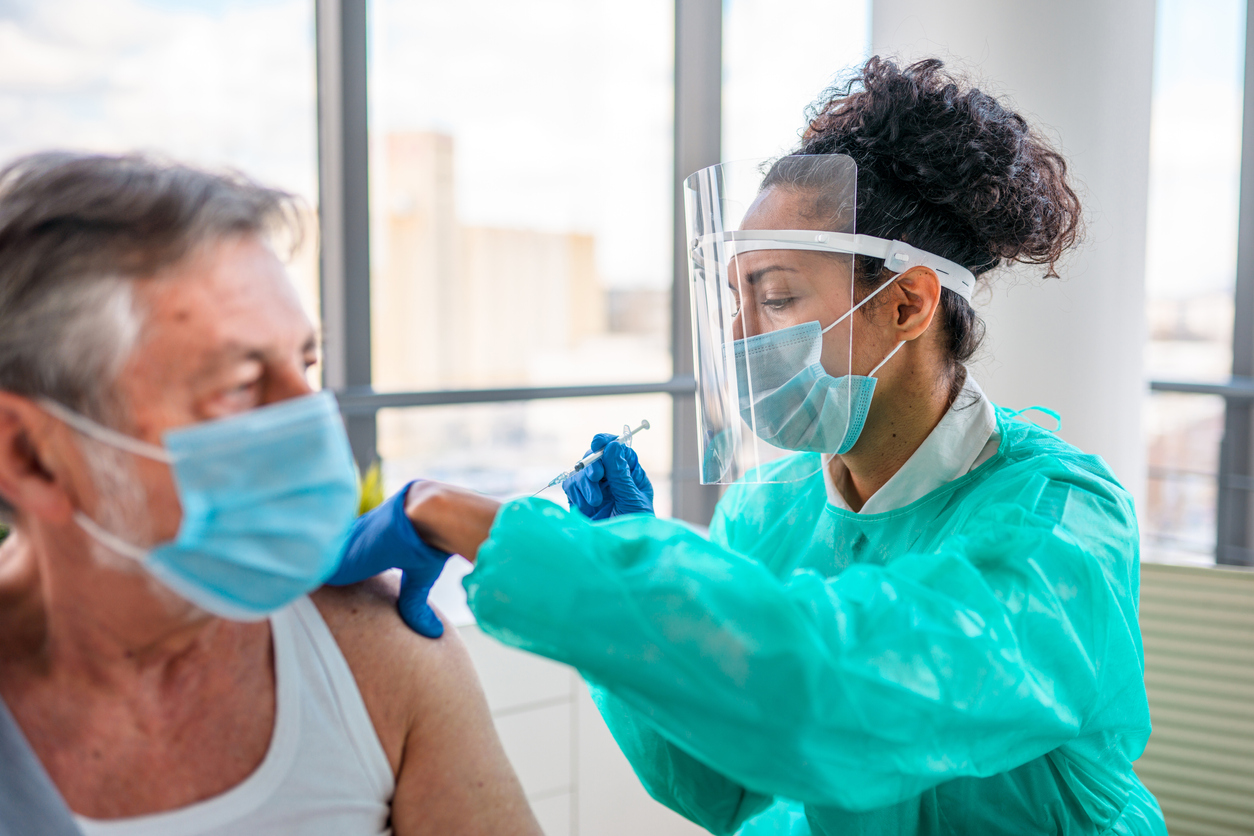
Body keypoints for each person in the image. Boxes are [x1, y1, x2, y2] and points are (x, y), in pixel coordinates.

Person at [334, 57, 1165, 835]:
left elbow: (833, 695)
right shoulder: (769, 510)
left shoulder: (1061, 527)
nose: (738, 335)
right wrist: (621, 551)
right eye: (734, 296)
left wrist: (490, 528)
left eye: (774, 294)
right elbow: (712, 781)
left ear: (909, 305)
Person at [0, 153, 541, 836]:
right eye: (239, 383)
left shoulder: (375, 653)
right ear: (29, 455)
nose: (314, 424)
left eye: (306, 364)